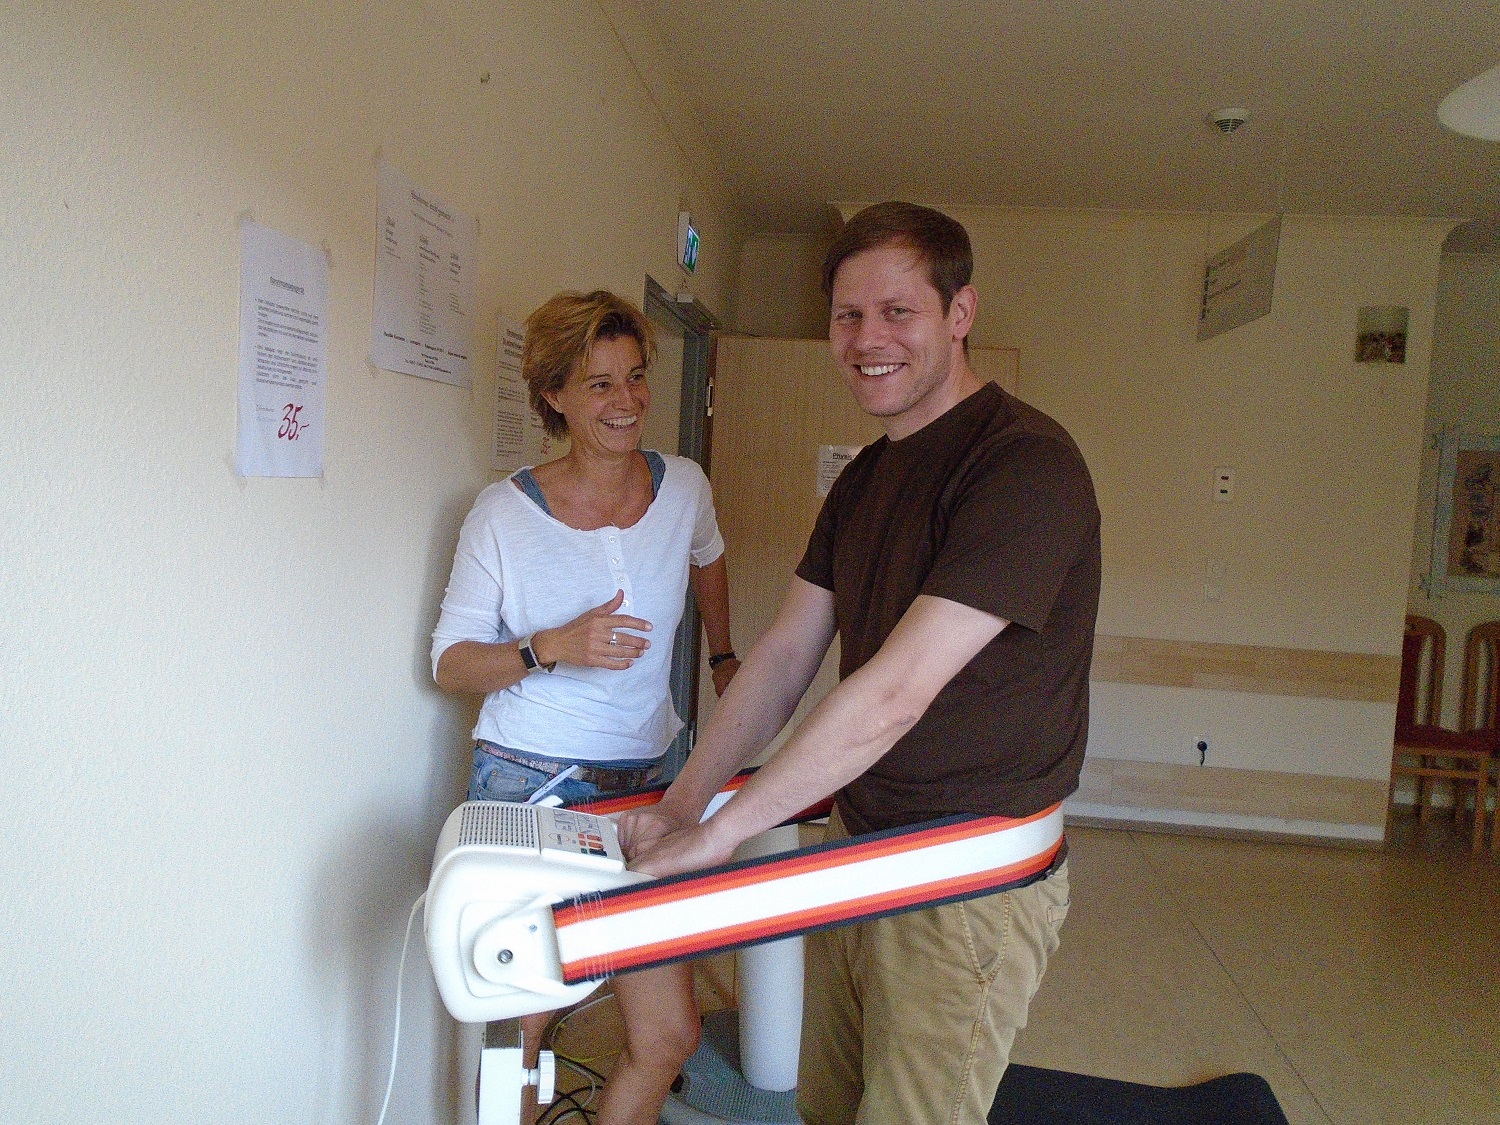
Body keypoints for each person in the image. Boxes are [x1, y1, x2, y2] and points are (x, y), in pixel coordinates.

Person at [622, 202, 1100, 1125]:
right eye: (848, 316)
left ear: (960, 313)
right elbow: (783, 656)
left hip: (965, 880)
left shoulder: (1025, 466)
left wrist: (723, 832)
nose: (867, 339)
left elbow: (896, 693)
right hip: (860, 847)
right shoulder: (866, 477)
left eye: (897, 311)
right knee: (830, 1103)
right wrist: (686, 802)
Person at [431, 289, 739, 1125]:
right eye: (599, 384)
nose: (626, 400)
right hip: (532, 782)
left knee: (667, 1034)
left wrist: (723, 655)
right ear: (555, 395)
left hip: (649, 782)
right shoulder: (502, 515)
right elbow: (451, 663)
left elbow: (708, 555)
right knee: (524, 1025)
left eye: (635, 377)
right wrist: (550, 646)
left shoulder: (684, 486)